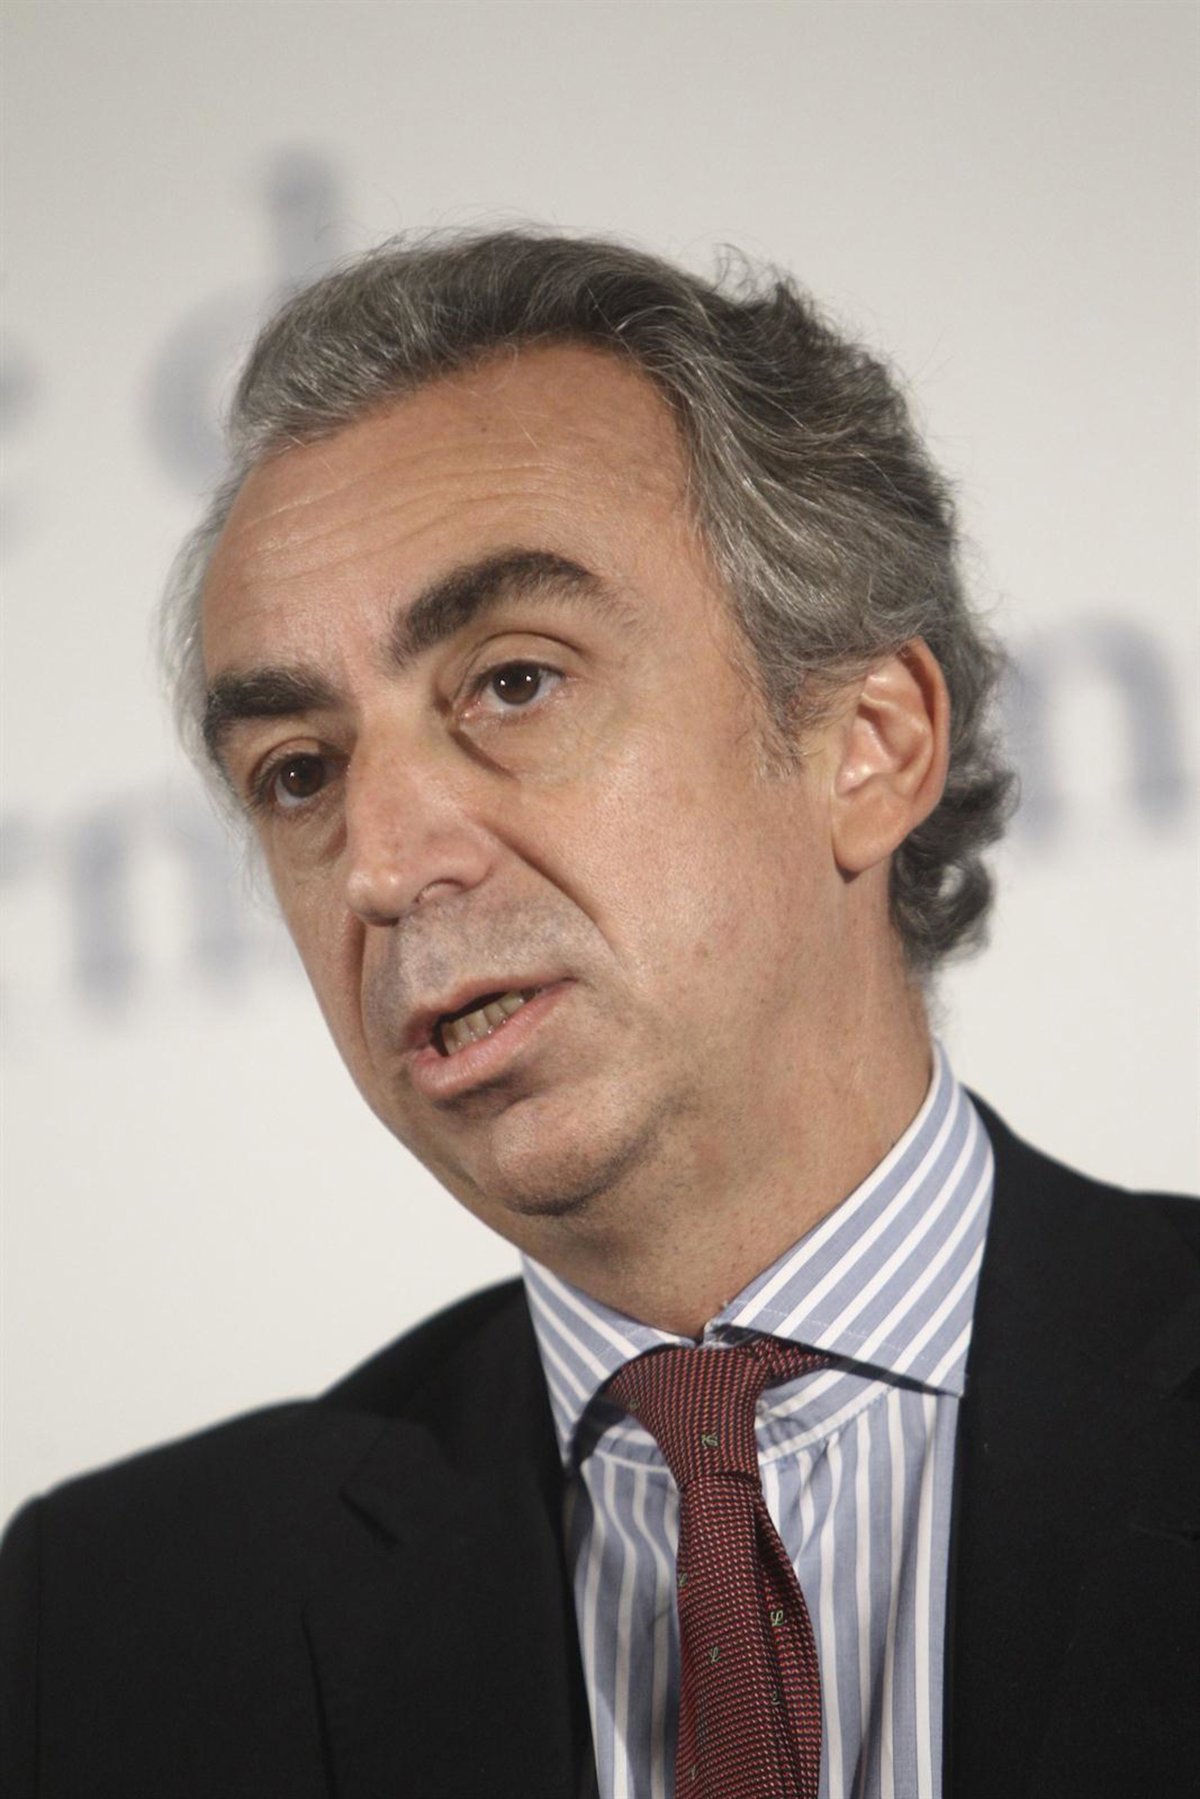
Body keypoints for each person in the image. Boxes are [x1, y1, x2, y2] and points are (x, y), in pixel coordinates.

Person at [1, 230, 1196, 1799]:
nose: (383, 863)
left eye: (513, 682)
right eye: (299, 772)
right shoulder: (112, 1631)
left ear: (869, 744)